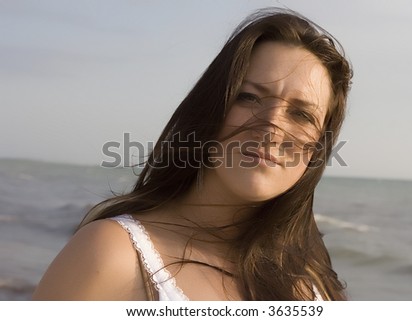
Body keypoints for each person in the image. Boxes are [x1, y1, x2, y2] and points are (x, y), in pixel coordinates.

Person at [32, 7, 352, 301]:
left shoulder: (307, 275)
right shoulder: (112, 254)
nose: (272, 126)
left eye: (301, 115)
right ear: (211, 107)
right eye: (249, 97)